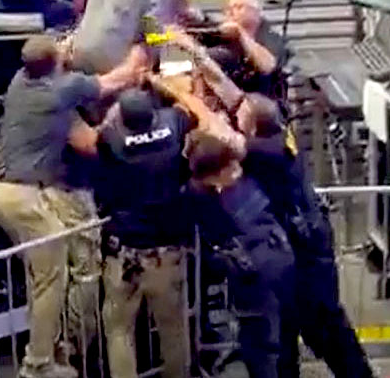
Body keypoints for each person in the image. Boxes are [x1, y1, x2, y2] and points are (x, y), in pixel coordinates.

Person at [0, 34, 145, 378]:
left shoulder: (21, 80)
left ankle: (50, 350)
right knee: (53, 278)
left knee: (43, 275)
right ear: (56, 63)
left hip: (4, 190)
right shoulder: (61, 91)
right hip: (24, 195)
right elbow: (124, 76)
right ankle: (39, 363)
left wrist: (64, 50)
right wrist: (144, 39)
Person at [235, 93, 374, 378]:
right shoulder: (278, 133)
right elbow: (241, 101)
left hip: (306, 266)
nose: (235, 118)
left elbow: (225, 138)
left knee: (329, 335)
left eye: (240, 115)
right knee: (286, 340)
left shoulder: (266, 149)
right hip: (296, 261)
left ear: (253, 125)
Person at [96, 88, 193, 378]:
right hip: (166, 252)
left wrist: (110, 119)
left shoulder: (112, 141)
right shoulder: (173, 126)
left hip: (124, 252)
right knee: (173, 330)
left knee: (119, 331)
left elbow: (97, 140)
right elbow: (186, 111)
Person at [186, 131, 296, 378]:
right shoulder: (252, 177)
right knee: (280, 343)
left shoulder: (207, 198)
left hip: (253, 278)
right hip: (281, 262)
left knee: (259, 348)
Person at [209, 0, 287, 102]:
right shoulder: (222, 37)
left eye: (238, 7)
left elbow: (267, 66)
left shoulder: (271, 37)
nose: (231, 13)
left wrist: (240, 33)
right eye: (228, 9)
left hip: (263, 99)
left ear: (255, 12)